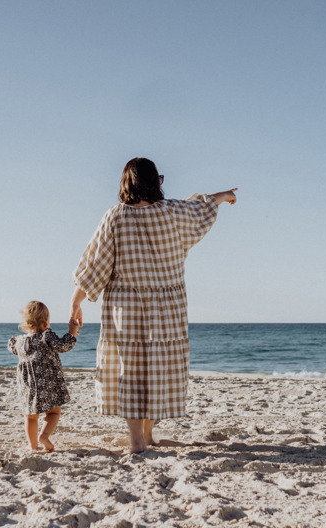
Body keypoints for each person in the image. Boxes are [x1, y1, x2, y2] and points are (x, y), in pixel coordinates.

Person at [70, 157, 237, 453]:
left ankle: (137, 439)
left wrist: (75, 306)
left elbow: (95, 266)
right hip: (167, 306)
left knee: (130, 369)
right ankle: (147, 435)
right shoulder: (172, 212)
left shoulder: (115, 217)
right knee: (159, 367)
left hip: (126, 306)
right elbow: (202, 205)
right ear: (155, 182)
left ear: (126, 184)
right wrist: (224, 196)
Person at [8, 300, 78, 451]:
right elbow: (64, 345)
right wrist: (72, 331)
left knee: (30, 416)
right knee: (53, 412)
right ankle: (44, 436)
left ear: (25, 323)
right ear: (46, 321)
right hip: (47, 383)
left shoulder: (18, 341)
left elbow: (11, 348)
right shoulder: (47, 337)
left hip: (28, 386)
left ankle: (32, 446)